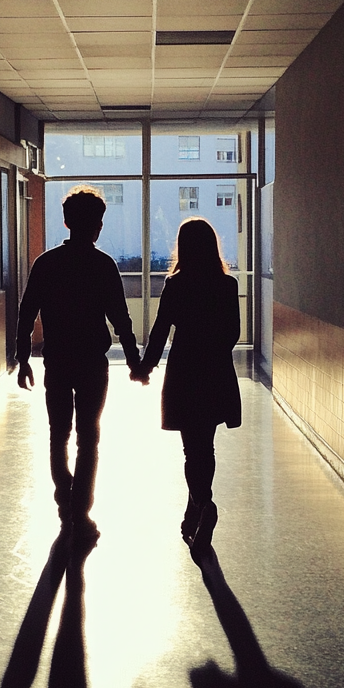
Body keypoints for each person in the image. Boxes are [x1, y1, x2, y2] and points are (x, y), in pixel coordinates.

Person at [16, 186, 141, 539]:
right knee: (89, 438)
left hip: (56, 361)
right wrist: (134, 361)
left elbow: (27, 314)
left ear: (66, 221)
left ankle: (64, 502)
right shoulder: (103, 265)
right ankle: (81, 511)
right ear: (98, 225)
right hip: (91, 364)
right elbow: (121, 318)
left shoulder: (47, 263)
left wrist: (22, 357)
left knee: (60, 434)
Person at [132, 217, 241, 552]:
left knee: (190, 448)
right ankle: (196, 508)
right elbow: (234, 333)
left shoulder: (176, 284)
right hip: (216, 371)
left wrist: (145, 367)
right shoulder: (227, 285)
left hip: (184, 371)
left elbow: (162, 329)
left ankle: (203, 505)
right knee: (205, 447)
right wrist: (215, 353)